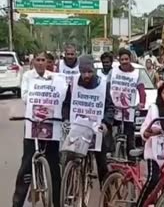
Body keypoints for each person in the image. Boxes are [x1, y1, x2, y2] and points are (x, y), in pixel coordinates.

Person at [13, 51, 65, 207]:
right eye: (38, 59)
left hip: (51, 123)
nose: (41, 62)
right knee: (27, 165)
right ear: (33, 61)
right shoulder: (28, 76)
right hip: (33, 123)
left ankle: (57, 202)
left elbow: (61, 95)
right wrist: (42, 100)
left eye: (44, 60)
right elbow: (25, 97)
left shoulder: (56, 77)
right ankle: (17, 203)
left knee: (54, 165)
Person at [62, 55, 114, 185]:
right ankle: (68, 193)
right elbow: (67, 104)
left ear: (94, 71)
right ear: (79, 71)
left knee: (102, 165)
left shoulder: (102, 84)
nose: (86, 75)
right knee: (68, 159)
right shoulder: (73, 84)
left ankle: (106, 199)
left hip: (96, 129)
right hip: (77, 128)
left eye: (89, 72)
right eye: (83, 72)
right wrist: (66, 119)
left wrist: (106, 123)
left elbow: (110, 107)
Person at [109, 48, 146, 160]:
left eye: (126, 59)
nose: (124, 61)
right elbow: (106, 88)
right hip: (114, 107)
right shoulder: (113, 72)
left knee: (130, 136)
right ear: (119, 60)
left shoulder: (136, 73)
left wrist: (142, 102)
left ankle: (131, 161)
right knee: (109, 133)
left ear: (130, 59)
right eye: (122, 59)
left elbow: (141, 89)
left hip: (129, 110)